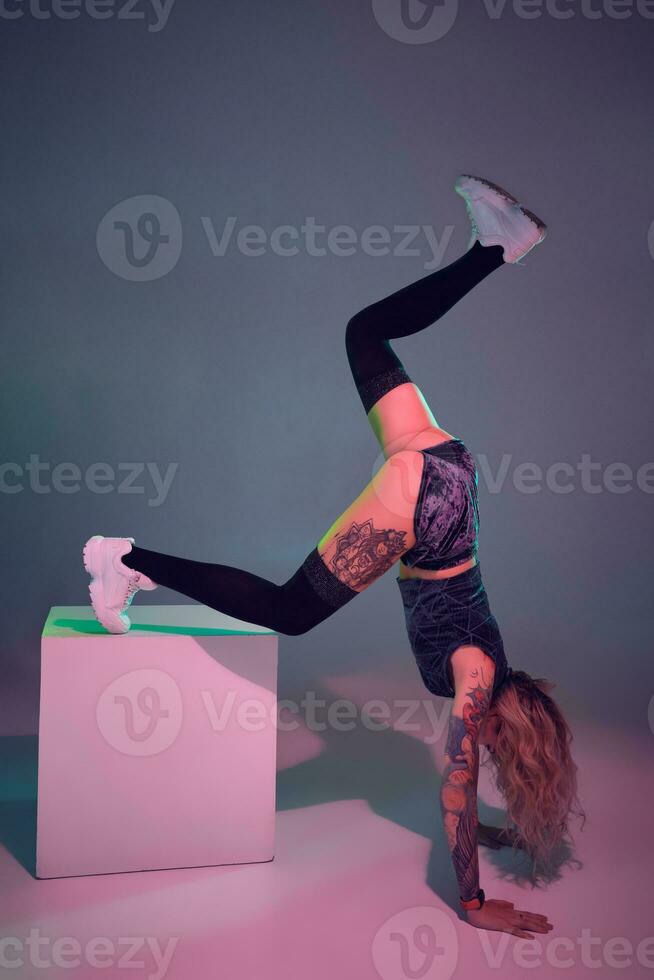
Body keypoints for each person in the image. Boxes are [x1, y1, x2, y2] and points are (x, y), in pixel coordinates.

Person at [83, 174, 584, 938]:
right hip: (420, 507)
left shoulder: (504, 673)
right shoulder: (480, 683)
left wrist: (507, 825)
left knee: (364, 334)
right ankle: (127, 557)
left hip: (450, 471)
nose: (475, 747)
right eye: (497, 756)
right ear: (501, 730)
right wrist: (474, 903)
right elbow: (454, 791)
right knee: (290, 612)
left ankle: (495, 247)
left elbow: (484, 772)